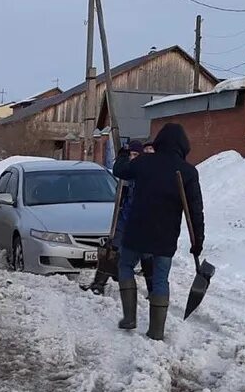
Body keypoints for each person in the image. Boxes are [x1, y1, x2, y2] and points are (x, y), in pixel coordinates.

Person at [111, 123, 205, 341]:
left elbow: (119, 170)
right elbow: (195, 210)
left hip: (137, 231)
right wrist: (198, 239)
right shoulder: (188, 172)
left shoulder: (144, 162)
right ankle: (156, 331)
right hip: (165, 236)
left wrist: (124, 153)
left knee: (125, 266)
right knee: (161, 279)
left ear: (160, 142)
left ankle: (129, 318)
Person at [87, 140, 153, 296]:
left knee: (147, 256)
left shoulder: (145, 173)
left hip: (143, 223)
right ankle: (99, 284)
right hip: (124, 220)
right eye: (131, 155)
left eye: (136, 155)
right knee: (112, 250)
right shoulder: (126, 175)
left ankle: (154, 291)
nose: (133, 158)